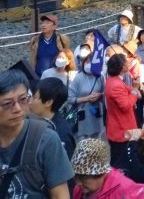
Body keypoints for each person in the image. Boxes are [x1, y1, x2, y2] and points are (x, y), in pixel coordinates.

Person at [0, 70, 73, 198]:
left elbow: (60, 195)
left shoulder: (47, 140)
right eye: (7, 104)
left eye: (23, 99)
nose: (17, 109)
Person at [71, 138, 144, 199]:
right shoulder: (79, 190)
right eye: (76, 176)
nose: (78, 183)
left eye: (83, 178)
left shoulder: (124, 189)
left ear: (102, 173)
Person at [105, 52, 140, 169]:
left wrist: (132, 91)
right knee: (122, 163)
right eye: (126, 62)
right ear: (121, 68)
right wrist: (135, 90)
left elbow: (125, 89)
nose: (128, 63)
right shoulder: (116, 85)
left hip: (120, 127)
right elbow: (126, 105)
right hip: (122, 130)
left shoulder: (113, 80)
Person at [29, 77, 76, 160]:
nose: (30, 101)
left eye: (34, 97)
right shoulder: (39, 122)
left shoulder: (61, 135)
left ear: (48, 102)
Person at [69, 45, 105, 141]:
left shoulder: (100, 77)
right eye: (87, 62)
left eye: (91, 62)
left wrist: (99, 96)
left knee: (96, 139)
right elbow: (70, 98)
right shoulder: (78, 78)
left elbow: (104, 93)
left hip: (96, 113)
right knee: (82, 141)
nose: (88, 64)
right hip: (82, 114)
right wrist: (86, 98)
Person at [29, 13, 72, 78]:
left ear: (54, 26)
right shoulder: (35, 40)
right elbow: (33, 59)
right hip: (39, 76)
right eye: (42, 23)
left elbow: (67, 56)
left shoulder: (62, 39)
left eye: (47, 23)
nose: (43, 25)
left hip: (57, 76)